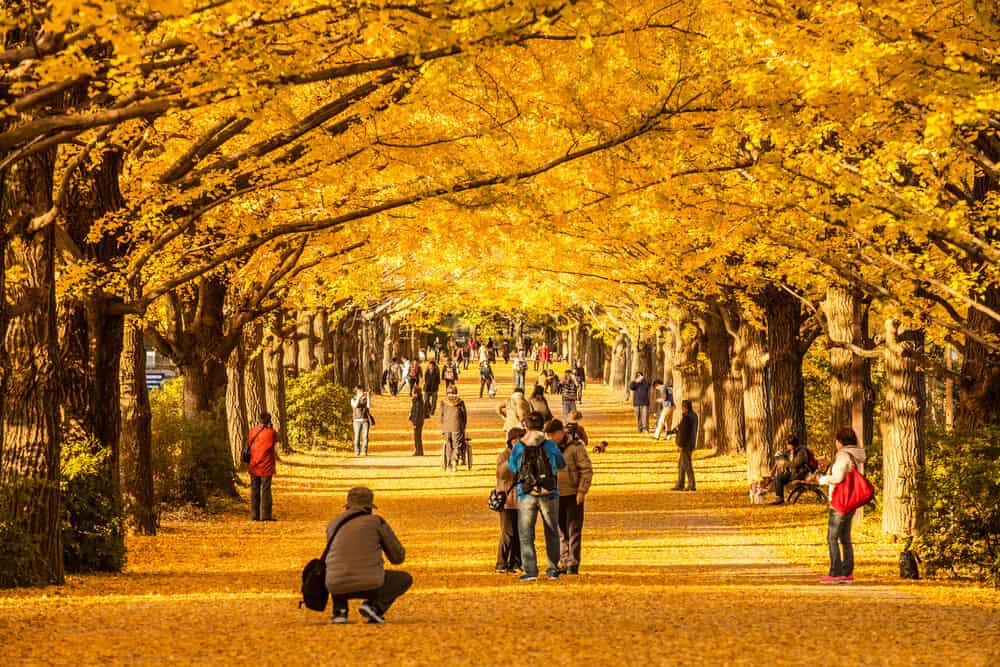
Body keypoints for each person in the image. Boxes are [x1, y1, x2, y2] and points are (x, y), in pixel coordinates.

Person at [326, 487, 411, 624]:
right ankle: (374, 607)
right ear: (370, 507)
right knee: (404, 578)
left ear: (347, 506)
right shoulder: (376, 522)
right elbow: (397, 558)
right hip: (371, 585)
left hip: (335, 586)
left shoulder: (332, 524)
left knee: (337, 567)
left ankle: (340, 612)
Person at [508, 411, 566, 581]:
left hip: (526, 493)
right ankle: (553, 568)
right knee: (552, 532)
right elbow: (562, 464)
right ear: (542, 427)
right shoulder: (550, 445)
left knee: (526, 533)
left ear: (526, 426)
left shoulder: (519, 446)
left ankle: (531, 571)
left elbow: (512, 467)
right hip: (550, 493)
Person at [817, 427, 867, 584]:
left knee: (832, 537)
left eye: (837, 441)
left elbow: (838, 478)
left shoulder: (843, 456)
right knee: (845, 538)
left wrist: (822, 479)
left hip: (840, 501)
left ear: (841, 441)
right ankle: (847, 572)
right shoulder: (856, 455)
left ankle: (835, 572)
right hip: (851, 501)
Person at [547, 418, 592, 575]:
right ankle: (564, 561)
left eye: (552, 434)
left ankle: (573, 563)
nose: (550, 438)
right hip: (555, 495)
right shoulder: (548, 448)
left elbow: (586, 469)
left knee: (573, 530)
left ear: (560, 433)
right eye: (548, 435)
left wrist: (582, 491)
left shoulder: (575, 447)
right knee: (560, 531)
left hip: (573, 494)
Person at [495, 427, 524, 574]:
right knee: (508, 533)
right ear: (511, 442)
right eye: (516, 440)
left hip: (522, 501)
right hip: (507, 501)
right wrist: (514, 458)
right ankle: (501, 563)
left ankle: (516, 563)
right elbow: (502, 474)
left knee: (520, 533)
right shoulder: (504, 456)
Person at [248, 412, 279, 521]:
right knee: (266, 490)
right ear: (269, 420)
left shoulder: (252, 431)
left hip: (253, 465)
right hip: (266, 466)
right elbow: (276, 439)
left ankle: (254, 514)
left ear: (259, 420)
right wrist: (271, 428)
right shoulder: (271, 433)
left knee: (254, 490)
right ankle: (266, 515)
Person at [668, 399, 698, 491]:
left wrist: (681, 444)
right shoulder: (692, 415)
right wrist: (673, 431)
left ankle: (691, 484)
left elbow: (685, 432)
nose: (682, 409)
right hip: (690, 443)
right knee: (681, 464)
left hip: (686, 444)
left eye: (683, 407)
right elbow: (681, 428)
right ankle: (680, 483)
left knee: (687, 464)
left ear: (686, 408)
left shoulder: (687, 417)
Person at [772, 435, 811, 505]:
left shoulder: (801, 452)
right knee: (778, 477)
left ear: (793, 444)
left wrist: (785, 463)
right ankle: (779, 498)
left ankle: (780, 499)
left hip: (800, 474)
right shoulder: (792, 451)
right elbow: (787, 459)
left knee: (779, 478)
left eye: (788, 444)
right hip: (794, 472)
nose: (786, 446)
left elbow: (796, 464)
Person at [439, 385, 468, 471]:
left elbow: (441, 415)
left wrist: (443, 425)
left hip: (447, 427)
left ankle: (448, 465)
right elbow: (464, 415)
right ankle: (454, 460)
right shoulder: (460, 402)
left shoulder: (443, 402)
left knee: (448, 445)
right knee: (456, 445)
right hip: (457, 426)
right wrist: (464, 425)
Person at [350, 385, 372, 457]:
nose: (361, 392)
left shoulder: (365, 399)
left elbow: (368, 406)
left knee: (365, 436)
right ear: (356, 392)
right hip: (356, 420)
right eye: (359, 391)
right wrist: (359, 397)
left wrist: (368, 397)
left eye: (362, 391)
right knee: (357, 436)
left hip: (365, 420)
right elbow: (355, 405)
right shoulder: (353, 399)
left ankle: (364, 451)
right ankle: (357, 451)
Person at [409, 386, 425, 456]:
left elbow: (417, 413)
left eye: (413, 392)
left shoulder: (418, 402)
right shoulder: (417, 400)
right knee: (417, 436)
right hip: (419, 421)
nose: (412, 393)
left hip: (418, 421)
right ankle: (418, 450)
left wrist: (415, 422)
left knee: (417, 437)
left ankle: (419, 451)